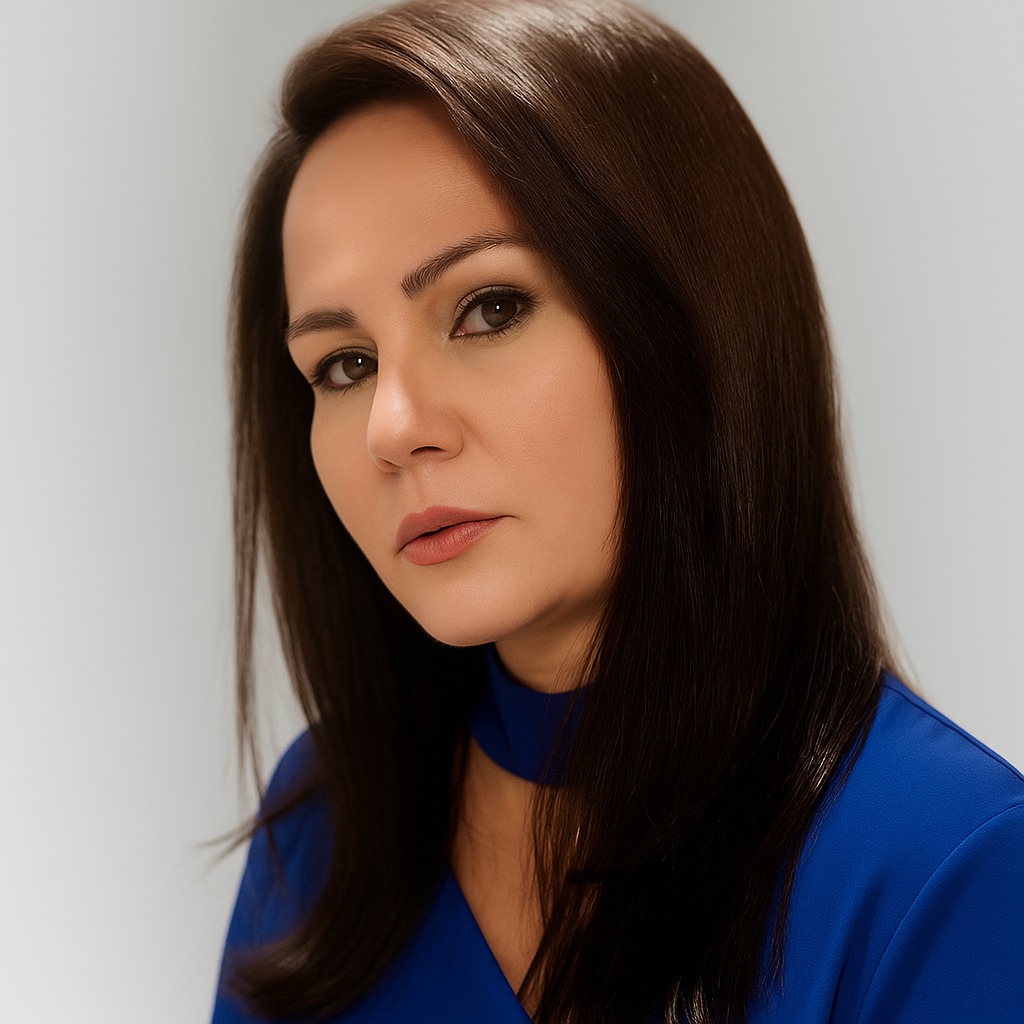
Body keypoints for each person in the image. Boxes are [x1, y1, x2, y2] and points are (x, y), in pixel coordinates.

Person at [211, 1, 1024, 1021]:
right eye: (343, 363)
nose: (394, 425)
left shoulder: (948, 868)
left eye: (489, 308)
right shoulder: (327, 826)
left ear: (689, 323)